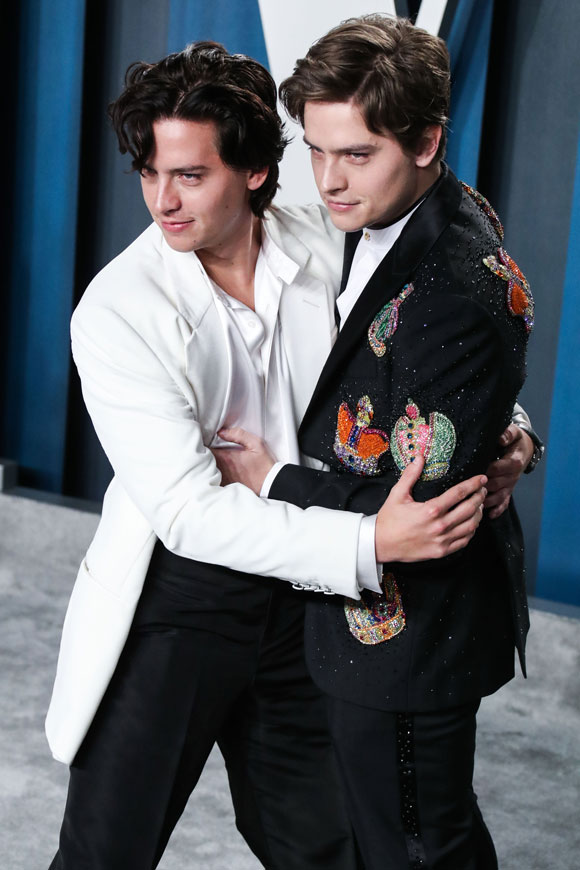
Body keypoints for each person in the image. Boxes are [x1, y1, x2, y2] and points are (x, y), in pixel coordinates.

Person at [45, 41, 497, 870]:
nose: (162, 201)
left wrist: (509, 434)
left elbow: (425, 358)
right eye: (149, 173)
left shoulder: (328, 245)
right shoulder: (115, 309)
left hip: (307, 605)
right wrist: (370, 544)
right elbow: (187, 512)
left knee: (327, 850)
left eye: (189, 175)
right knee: (105, 853)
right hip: (178, 603)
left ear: (254, 171)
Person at [213, 15, 540, 870]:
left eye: (356, 154)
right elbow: (459, 394)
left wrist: (273, 477)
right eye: (315, 151)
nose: (328, 181)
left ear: (428, 140)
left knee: (418, 847)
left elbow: (421, 513)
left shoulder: (454, 284)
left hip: (407, 634)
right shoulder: (408, 211)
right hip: (359, 618)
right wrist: (514, 434)